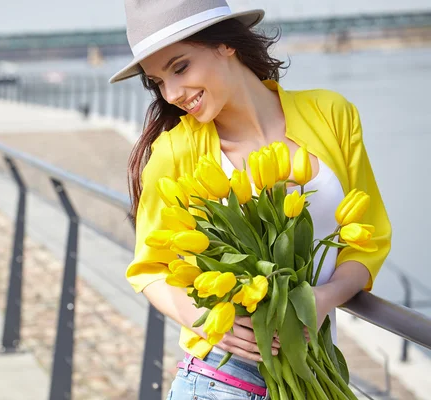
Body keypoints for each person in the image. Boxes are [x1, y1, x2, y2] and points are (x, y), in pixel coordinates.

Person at [109, 0, 392, 399]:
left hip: (315, 376)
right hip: (218, 382)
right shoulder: (174, 153)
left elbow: (370, 238)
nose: (171, 93)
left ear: (226, 44)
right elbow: (148, 269)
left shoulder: (332, 114)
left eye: (180, 67)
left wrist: (323, 299)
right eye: (157, 81)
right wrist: (207, 322)